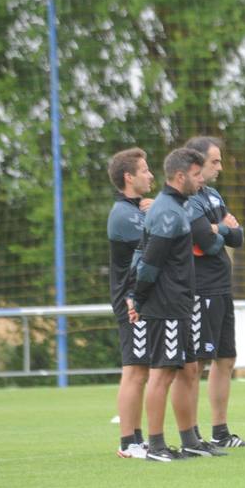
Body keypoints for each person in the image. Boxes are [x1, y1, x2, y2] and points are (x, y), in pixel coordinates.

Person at [128, 146, 214, 462]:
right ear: (180, 176)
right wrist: (137, 297)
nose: (200, 179)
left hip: (180, 302)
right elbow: (150, 262)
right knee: (162, 373)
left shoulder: (177, 206)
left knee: (189, 368)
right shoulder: (166, 211)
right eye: (195, 174)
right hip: (165, 304)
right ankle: (156, 446)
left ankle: (189, 439)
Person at [182, 136, 245, 450]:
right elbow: (205, 239)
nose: (220, 167)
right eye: (215, 161)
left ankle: (220, 433)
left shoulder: (212, 196)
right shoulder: (188, 200)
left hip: (223, 287)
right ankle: (192, 435)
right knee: (197, 363)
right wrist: (221, 229)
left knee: (226, 358)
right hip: (201, 288)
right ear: (196, 164)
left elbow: (237, 237)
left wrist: (220, 228)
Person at [108, 148, 153, 458]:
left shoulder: (138, 209)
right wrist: (155, 216)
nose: (150, 175)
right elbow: (154, 246)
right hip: (131, 301)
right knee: (134, 371)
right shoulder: (123, 215)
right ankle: (127, 442)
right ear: (129, 177)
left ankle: (137, 438)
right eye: (145, 170)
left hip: (143, 299)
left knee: (142, 370)